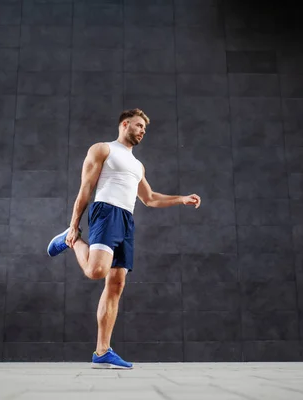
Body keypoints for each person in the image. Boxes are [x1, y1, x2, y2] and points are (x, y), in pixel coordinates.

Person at [46, 108, 201, 369]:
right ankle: (71, 240)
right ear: (125, 124)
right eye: (139, 126)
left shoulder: (138, 165)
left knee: (116, 285)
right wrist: (75, 226)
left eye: (145, 129)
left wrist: (181, 199)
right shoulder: (103, 149)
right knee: (96, 271)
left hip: (127, 219)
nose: (142, 131)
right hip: (106, 211)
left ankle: (102, 352)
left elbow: (149, 199)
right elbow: (86, 188)